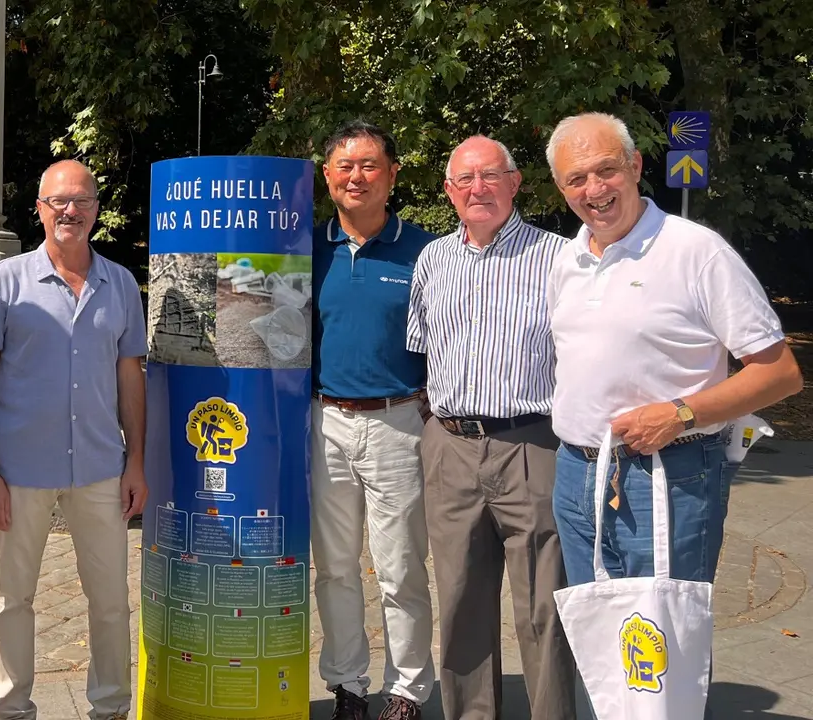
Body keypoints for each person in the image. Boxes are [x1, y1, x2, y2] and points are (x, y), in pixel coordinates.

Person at [546, 111, 803, 587]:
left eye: (606, 169)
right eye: (576, 179)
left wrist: (680, 413)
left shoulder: (697, 252)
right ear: (562, 189)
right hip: (576, 475)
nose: (594, 189)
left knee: (664, 630)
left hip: (668, 472)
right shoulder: (567, 260)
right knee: (594, 628)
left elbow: (780, 373)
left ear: (635, 166)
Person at [0, 159, 148, 720]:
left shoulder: (121, 284)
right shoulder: (4, 282)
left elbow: (130, 379)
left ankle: (110, 708)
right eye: (58, 201)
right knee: (11, 598)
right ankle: (12, 709)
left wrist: (136, 462)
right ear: (40, 209)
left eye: (81, 200)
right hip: (18, 471)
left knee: (111, 600)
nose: (70, 210)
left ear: (97, 209)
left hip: (100, 467)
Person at [407, 136, 576, 719]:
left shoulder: (560, 257)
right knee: (459, 603)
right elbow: (421, 348)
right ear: (449, 191)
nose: (477, 188)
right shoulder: (433, 259)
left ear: (515, 182)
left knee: (543, 607)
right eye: (465, 179)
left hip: (532, 443)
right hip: (450, 446)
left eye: (490, 176)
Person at [310, 119, 435, 720]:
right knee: (335, 567)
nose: (356, 176)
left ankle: (407, 688)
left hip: (399, 422)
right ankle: (347, 684)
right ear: (327, 176)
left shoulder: (427, 251)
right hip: (325, 422)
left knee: (401, 567)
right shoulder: (307, 249)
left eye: (369, 165)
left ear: (392, 174)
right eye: (345, 166)